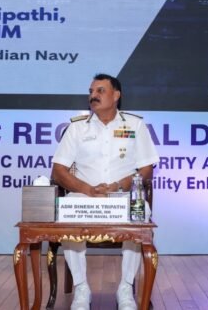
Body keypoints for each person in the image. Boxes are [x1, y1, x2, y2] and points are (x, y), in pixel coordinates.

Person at [51, 73, 160, 310]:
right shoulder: (77, 128)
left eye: (100, 91)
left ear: (116, 95)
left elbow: (146, 170)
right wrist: (87, 189)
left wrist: (117, 186)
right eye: (91, 91)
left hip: (122, 195)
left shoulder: (135, 125)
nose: (93, 95)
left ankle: (125, 287)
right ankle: (81, 288)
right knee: (66, 213)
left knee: (140, 213)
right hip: (85, 195)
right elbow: (58, 171)